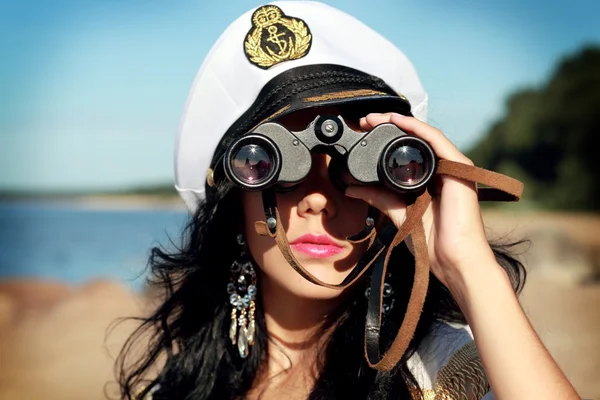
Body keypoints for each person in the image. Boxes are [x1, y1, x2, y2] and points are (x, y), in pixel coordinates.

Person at [116, 2, 580, 399]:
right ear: (234, 201)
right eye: (278, 171)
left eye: (350, 172)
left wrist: (469, 267)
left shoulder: (442, 371)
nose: (318, 200)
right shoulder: (182, 385)